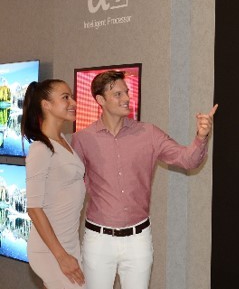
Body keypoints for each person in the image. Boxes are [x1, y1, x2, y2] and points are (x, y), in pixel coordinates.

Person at [71, 70, 217, 289]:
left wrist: (201, 137)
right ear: (100, 100)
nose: (126, 98)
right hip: (98, 240)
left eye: (126, 92)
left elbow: (188, 160)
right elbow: (74, 189)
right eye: (118, 94)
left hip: (138, 240)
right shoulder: (82, 139)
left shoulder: (148, 133)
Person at [23, 79, 86, 288]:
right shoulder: (40, 149)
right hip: (51, 250)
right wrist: (61, 257)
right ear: (46, 104)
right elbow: (33, 208)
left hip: (69, 243)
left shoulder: (63, 141)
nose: (74, 103)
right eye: (65, 98)